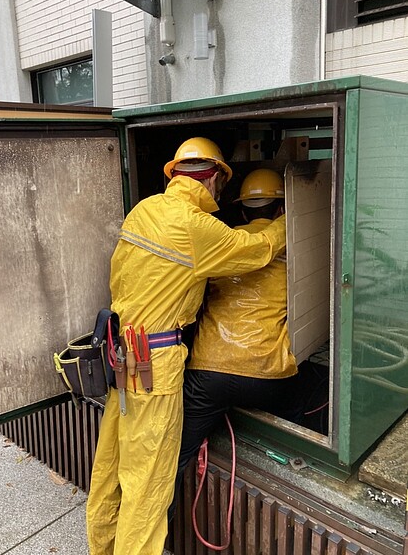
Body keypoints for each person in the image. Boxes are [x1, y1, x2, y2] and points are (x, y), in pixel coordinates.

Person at [86, 139, 287, 555]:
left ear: (175, 173)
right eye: (220, 185)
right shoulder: (197, 227)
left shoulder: (144, 210)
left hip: (121, 353)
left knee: (110, 468)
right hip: (154, 364)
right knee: (148, 483)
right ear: (213, 177)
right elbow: (257, 250)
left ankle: (101, 548)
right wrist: (294, 217)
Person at [169, 168, 300, 521]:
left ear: (242, 211)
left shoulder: (218, 243)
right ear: (280, 210)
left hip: (208, 373)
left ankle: (155, 533)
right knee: (308, 396)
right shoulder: (300, 249)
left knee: (175, 457)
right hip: (267, 376)